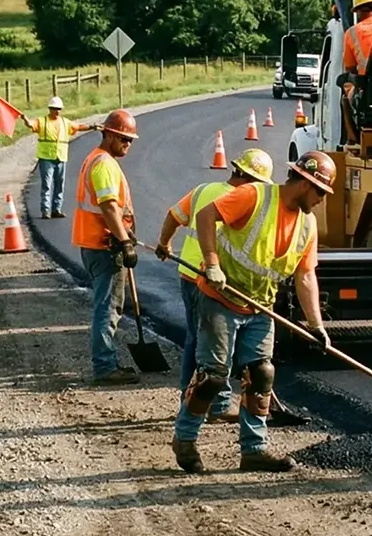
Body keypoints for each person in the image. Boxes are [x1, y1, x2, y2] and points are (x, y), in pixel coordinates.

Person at [172, 150, 337, 474]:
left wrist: (316, 326)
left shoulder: (307, 225)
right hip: (220, 298)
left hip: (260, 306)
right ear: (305, 184)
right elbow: (206, 216)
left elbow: (305, 276)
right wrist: (213, 264)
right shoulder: (254, 196)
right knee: (213, 376)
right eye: (321, 192)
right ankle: (185, 439)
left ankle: (254, 451)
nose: (321, 200)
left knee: (261, 373)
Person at [155, 148, 274, 424]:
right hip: (213, 281)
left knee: (196, 340)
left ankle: (192, 400)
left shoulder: (202, 190)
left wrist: (164, 243)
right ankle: (215, 404)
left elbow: (174, 216)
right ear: (251, 179)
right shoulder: (243, 201)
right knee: (216, 345)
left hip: (188, 274)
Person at [70, 109, 141, 386]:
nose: (128, 144)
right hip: (104, 246)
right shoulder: (103, 164)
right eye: (124, 138)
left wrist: (125, 231)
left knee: (107, 305)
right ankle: (104, 366)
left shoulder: (98, 160)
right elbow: (109, 206)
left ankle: (105, 361)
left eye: (131, 139)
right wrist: (124, 241)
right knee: (108, 308)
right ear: (109, 134)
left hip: (95, 243)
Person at [26, 97, 99, 218]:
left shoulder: (65, 123)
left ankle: (56, 209)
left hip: (60, 157)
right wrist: (25, 120)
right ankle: (45, 210)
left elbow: (78, 126)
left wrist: (92, 127)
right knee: (47, 184)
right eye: (55, 109)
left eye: (59, 109)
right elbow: (31, 124)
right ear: (50, 109)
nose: (57, 111)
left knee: (59, 184)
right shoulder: (42, 121)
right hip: (46, 157)